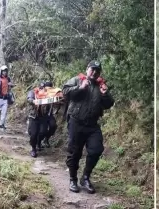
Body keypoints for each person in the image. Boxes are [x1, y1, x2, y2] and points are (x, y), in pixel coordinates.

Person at [62, 60, 114, 193]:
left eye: (97, 71)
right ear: (87, 69)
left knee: (96, 149)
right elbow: (65, 92)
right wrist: (80, 88)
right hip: (76, 122)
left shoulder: (101, 86)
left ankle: (85, 177)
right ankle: (73, 179)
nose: (95, 72)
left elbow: (108, 104)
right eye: (92, 69)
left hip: (92, 125)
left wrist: (105, 94)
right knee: (75, 152)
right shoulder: (77, 80)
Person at [26, 82, 51, 157]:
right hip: (34, 117)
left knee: (43, 132)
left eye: (43, 88)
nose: (42, 89)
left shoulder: (48, 94)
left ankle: (39, 142)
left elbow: (54, 99)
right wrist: (33, 101)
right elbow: (29, 99)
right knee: (33, 134)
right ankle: (33, 149)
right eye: (41, 88)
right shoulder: (33, 92)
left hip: (43, 117)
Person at [42, 81, 58, 148]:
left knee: (53, 126)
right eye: (47, 89)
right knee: (42, 130)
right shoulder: (41, 94)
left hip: (50, 114)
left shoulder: (54, 94)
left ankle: (46, 138)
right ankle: (39, 142)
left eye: (50, 89)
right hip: (42, 115)